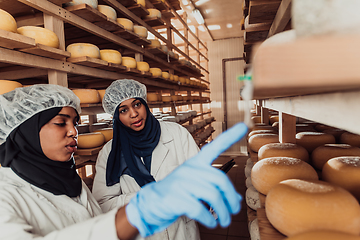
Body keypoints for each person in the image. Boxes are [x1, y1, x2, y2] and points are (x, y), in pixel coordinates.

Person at [0, 83, 248, 240]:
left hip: (182, 231)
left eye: (74, 123)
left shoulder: (68, 178)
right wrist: (148, 201)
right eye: (61, 122)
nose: (74, 131)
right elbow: (104, 209)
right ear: (27, 130)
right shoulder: (110, 151)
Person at [92, 79, 201, 239]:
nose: (134, 114)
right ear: (116, 116)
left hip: (181, 230)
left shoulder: (176, 133)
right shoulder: (110, 153)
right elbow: (103, 203)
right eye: (123, 110)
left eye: (137, 105)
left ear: (145, 104)